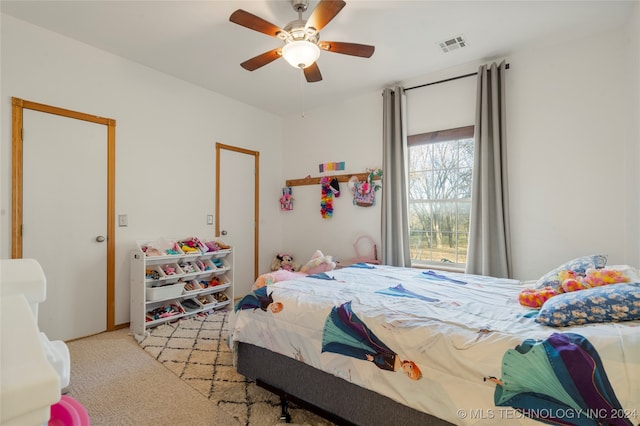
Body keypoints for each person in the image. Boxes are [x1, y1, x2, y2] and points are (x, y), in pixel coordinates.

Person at [322, 301, 421, 380]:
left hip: (371, 353)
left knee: (355, 344)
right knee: (361, 333)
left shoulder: (395, 367)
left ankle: (337, 328)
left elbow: (382, 364)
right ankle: (344, 314)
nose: (407, 369)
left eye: (408, 373)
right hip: (373, 347)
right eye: (410, 368)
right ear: (411, 364)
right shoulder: (398, 359)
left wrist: (373, 359)